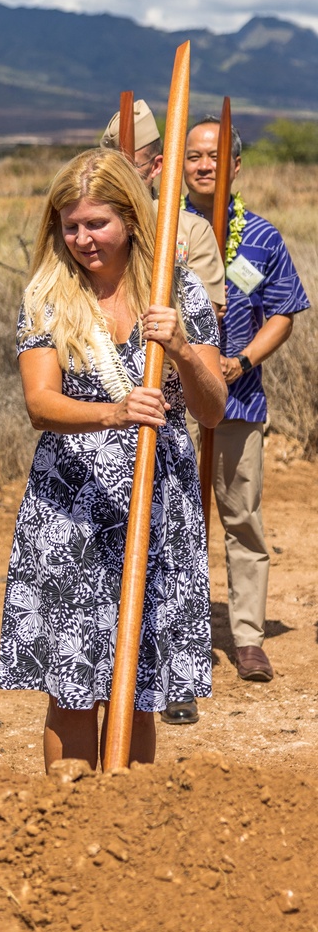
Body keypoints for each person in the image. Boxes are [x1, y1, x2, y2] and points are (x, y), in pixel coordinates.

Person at [0, 149, 226, 770]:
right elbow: (40, 404)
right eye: (70, 226)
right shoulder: (49, 294)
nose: (82, 240)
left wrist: (180, 347)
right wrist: (114, 412)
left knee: (138, 686)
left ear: (129, 217)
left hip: (159, 503)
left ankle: (127, 832)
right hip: (72, 508)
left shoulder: (177, 291)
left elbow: (210, 409)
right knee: (73, 683)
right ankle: (66, 824)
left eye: (96, 224)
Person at [101, 98, 228, 728]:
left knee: (168, 558)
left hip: (169, 395)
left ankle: (172, 670)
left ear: (153, 168)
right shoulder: (87, 225)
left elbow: (209, 317)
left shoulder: (188, 233)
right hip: (99, 424)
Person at [184, 117, 310, 683]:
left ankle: (249, 638)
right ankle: (176, 630)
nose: (204, 164)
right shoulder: (160, 232)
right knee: (175, 515)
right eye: (193, 156)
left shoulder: (261, 237)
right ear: (177, 166)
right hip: (167, 403)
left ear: (236, 165)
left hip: (239, 400)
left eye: (215, 155)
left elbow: (282, 313)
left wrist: (242, 361)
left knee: (242, 518)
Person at [101, 98, 226, 315]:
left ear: (156, 167)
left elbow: (204, 318)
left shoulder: (192, 230)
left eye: (130, 167)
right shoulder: (84, 227)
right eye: (111, 169)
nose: (119, 178)